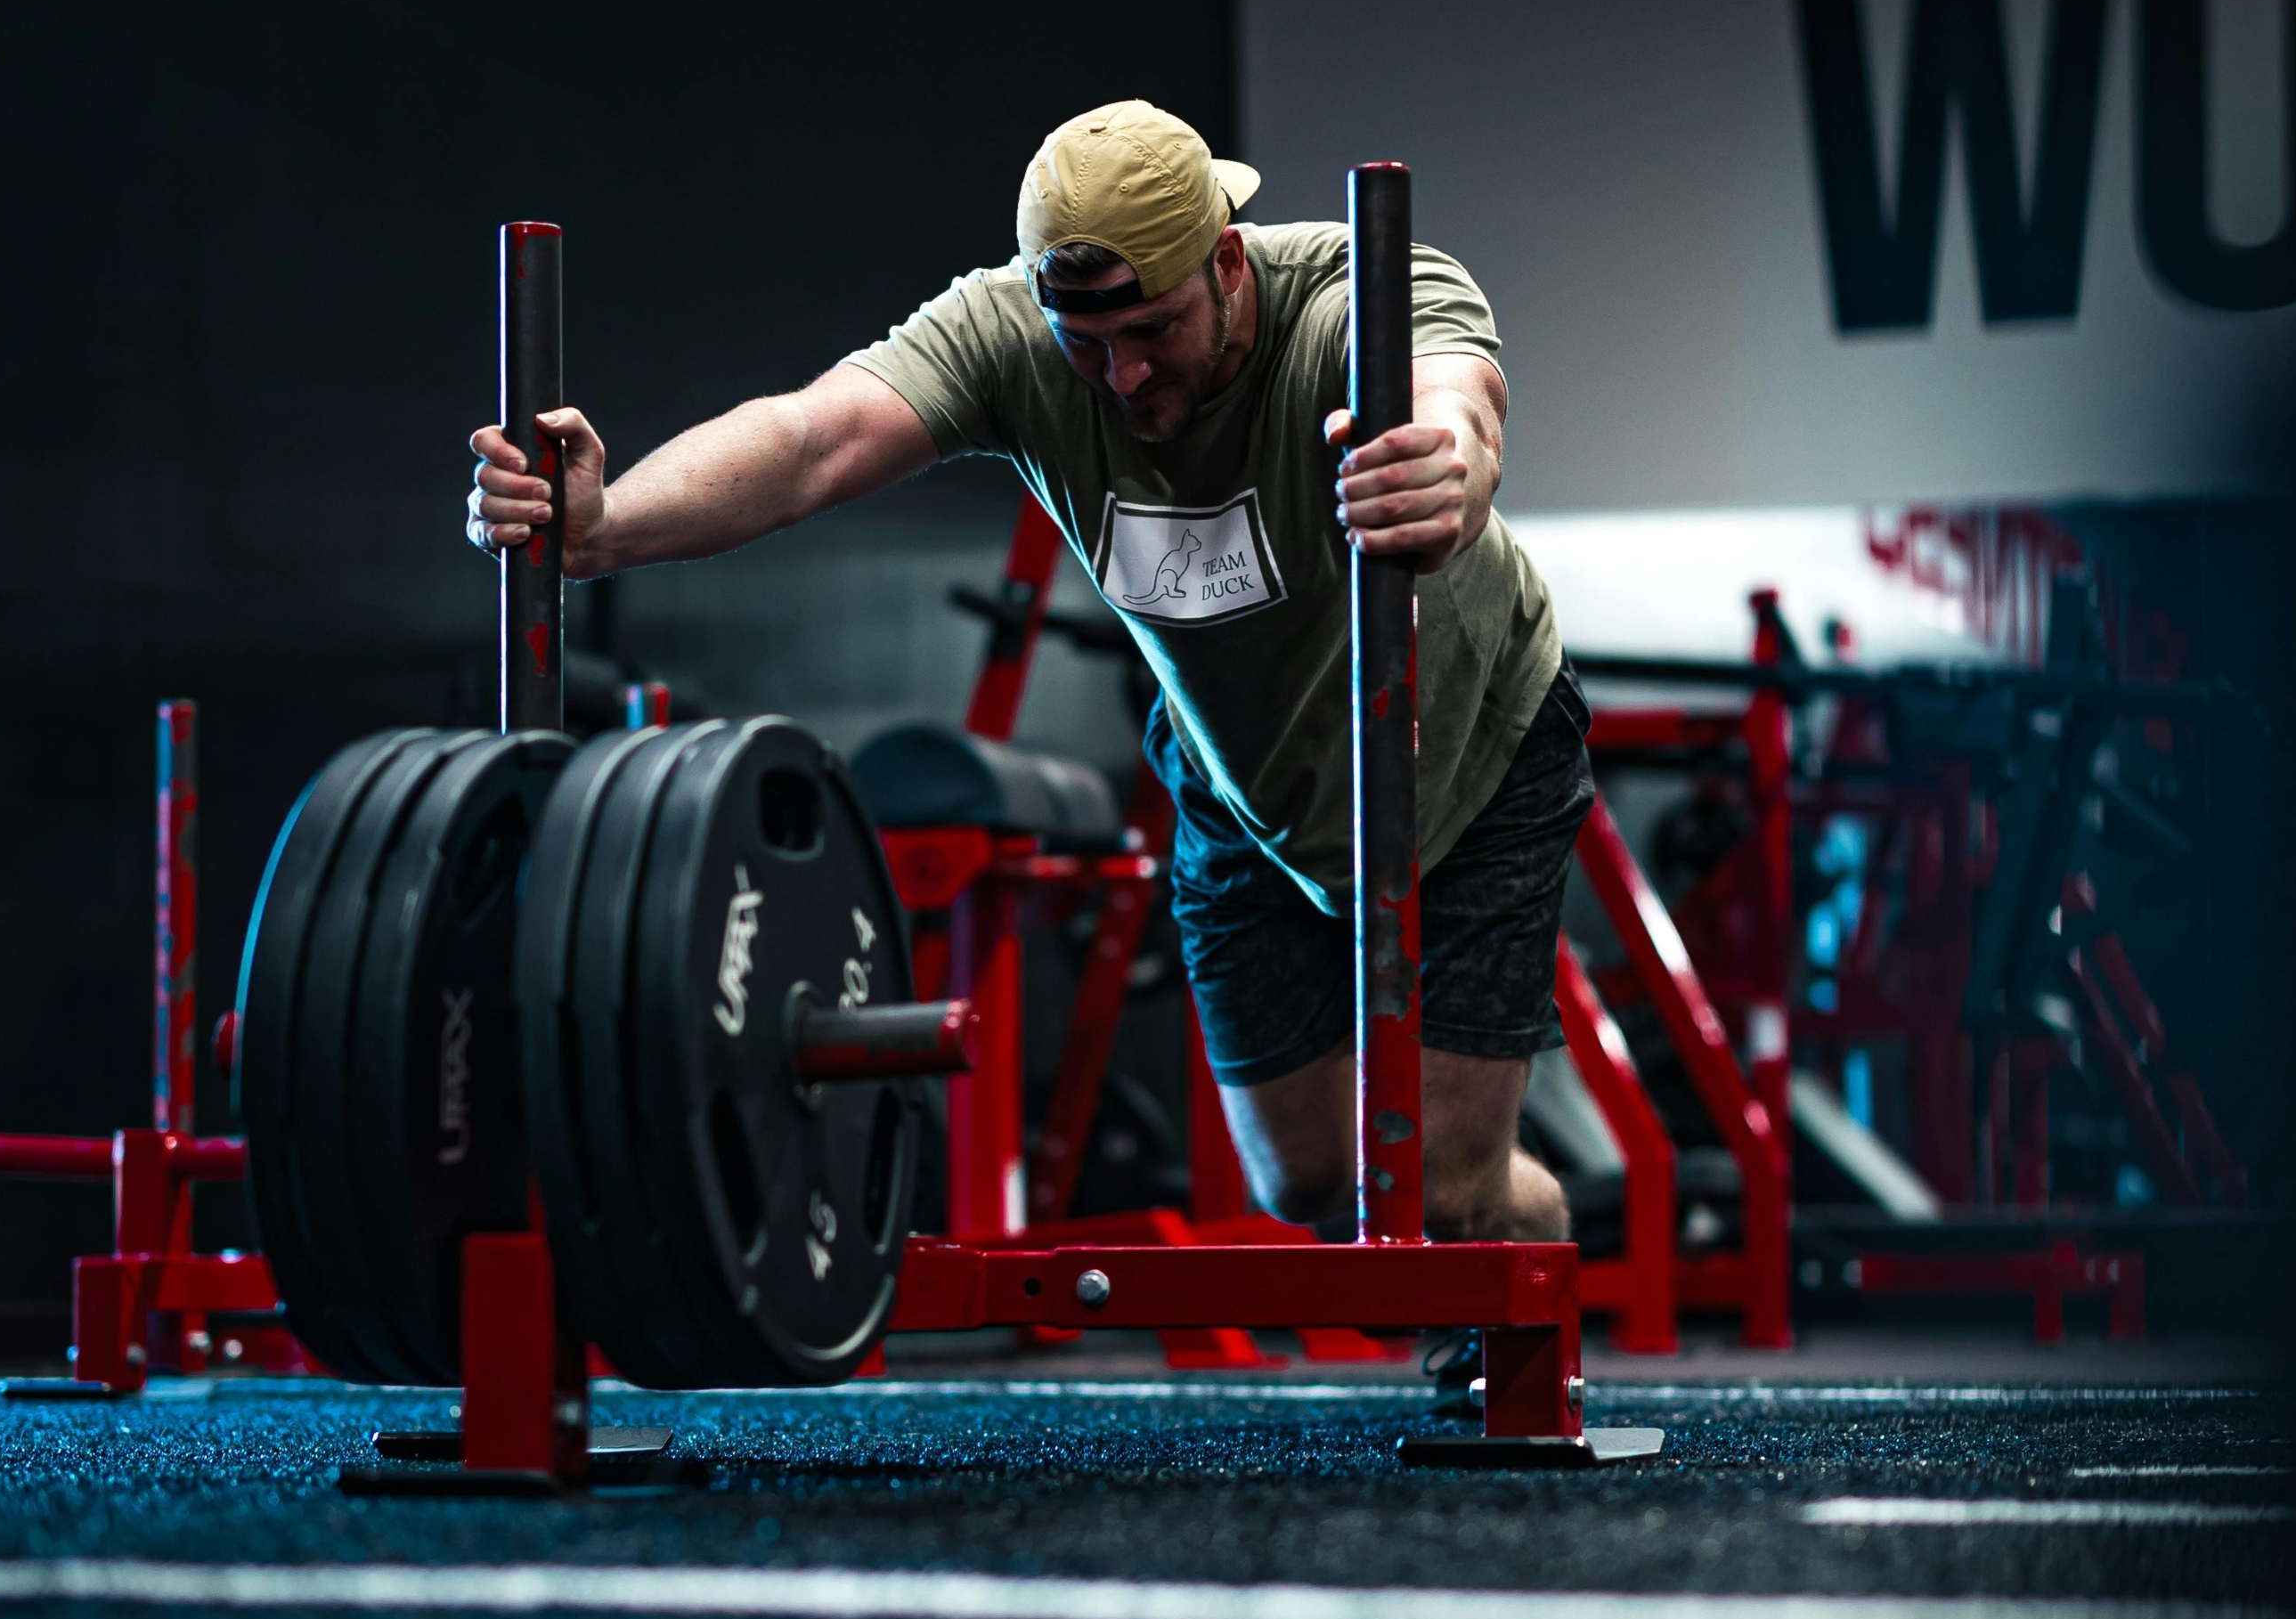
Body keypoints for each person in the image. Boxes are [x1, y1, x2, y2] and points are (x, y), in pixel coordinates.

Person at [467, 100, 1590, 1249]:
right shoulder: (1006, 334)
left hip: (1465, 754)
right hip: (1243, 788)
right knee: (1305, 1184)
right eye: (1087, 341)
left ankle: (1531, 1264)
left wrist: (1446, 466)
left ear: (1230, 261)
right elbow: (813, 440)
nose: (1122, 373)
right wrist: (602, 526)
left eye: (1155, 329)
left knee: (1445, 1197)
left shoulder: (1353, 293)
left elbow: (1458, 395)